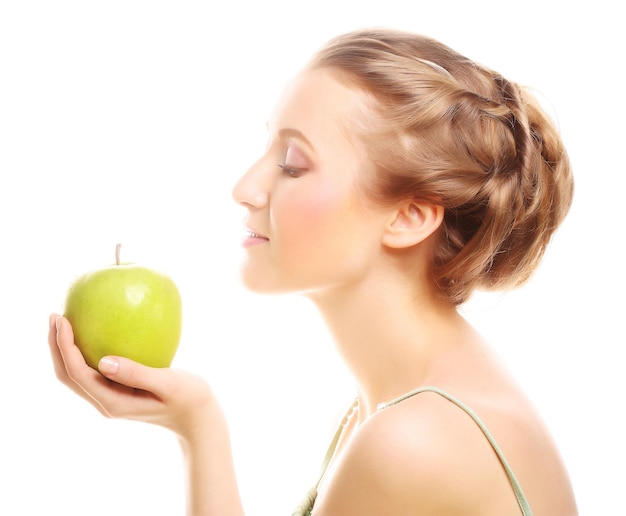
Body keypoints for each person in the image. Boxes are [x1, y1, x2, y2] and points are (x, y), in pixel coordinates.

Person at [48, 28, 578, 515]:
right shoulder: (400, 399)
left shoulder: (415, 440)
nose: (245, 188)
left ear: (408, 217)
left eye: (293, 164)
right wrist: (195, 424)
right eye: (268, 148)